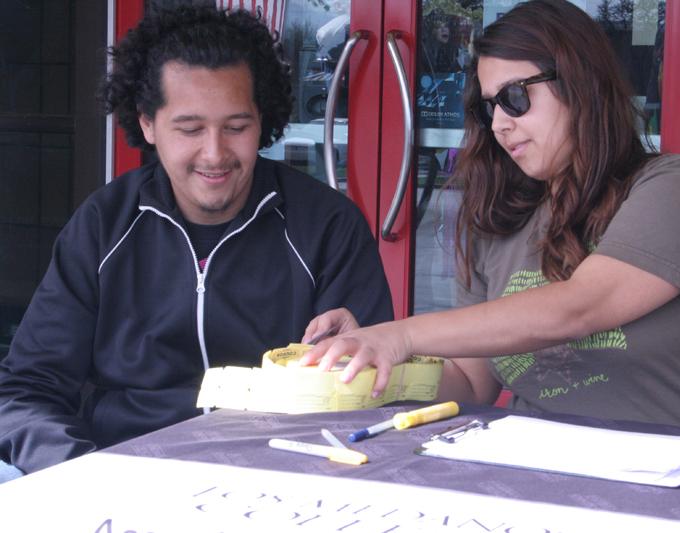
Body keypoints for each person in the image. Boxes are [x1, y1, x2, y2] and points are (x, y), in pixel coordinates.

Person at [301, 0, 680, 434]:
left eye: (515, 97)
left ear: (581, 83)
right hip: (542, 472)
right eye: (489, 107)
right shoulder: (499, 221)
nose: (500, 123)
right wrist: (369, 360)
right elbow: (471, 383)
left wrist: (399, 334)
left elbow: (583, 305)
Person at [0, 5, 393, 479]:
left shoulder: (328, 226)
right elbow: (25, 391)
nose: (215, 153)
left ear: (262, 121)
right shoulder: (103, 225)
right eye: (190, 129)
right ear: (147, 124)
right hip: (121, 471)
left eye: (236, 127)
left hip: (283, 483)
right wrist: (84, 473)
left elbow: (376, 397)